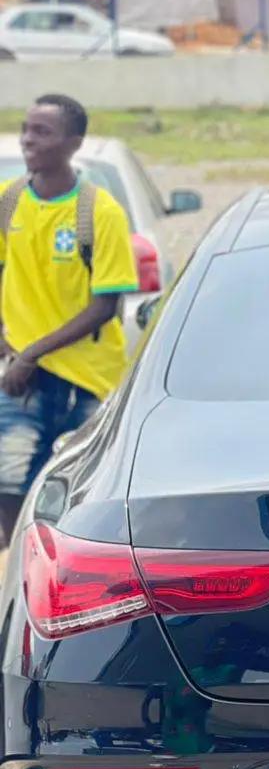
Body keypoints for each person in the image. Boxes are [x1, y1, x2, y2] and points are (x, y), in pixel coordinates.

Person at [0, 93, 138, 546]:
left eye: (42, 132)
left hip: (87, 379)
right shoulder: (9, 201)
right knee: (10, 483)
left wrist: (31, 354)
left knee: (81, 492)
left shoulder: (99, 212)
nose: (28, 140)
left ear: (73, 143)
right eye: (26, 129)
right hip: (22, 377)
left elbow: (105, 306)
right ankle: (16, 567)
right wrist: (9, 345)